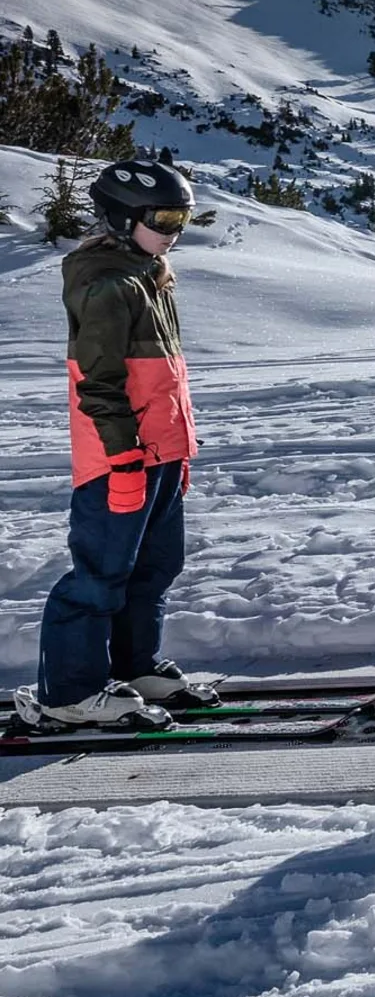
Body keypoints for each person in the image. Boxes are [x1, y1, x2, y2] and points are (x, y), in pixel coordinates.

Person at [16, 160, 204, 730]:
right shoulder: (107, 285)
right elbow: (99, 387)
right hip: (117, 460)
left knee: (155, 567)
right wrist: (123, 459)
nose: (174, 231)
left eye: (182, 219)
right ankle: (68, 694)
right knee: (98, 575)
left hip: (158, 454)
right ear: (124, 218)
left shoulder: (150, 274)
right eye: (163, 219)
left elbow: (162, 381)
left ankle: (133, 668)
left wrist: (176, 451)